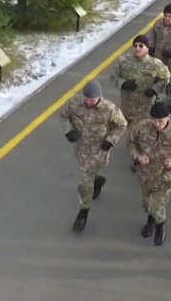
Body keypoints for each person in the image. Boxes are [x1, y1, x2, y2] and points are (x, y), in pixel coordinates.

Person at [60, 81, 128, 231]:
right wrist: (69, 130)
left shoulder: (109, 109)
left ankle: (88, 200)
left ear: (99, 97)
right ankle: (90, 197)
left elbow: (122, 124)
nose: (90, 102)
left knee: (89, 176)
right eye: (87, 99)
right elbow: (64, 116)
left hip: (99, 148)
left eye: (93, 99)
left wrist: (110, 140)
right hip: (82, 148)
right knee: (87, 176)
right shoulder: (74, 103)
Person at [129, 102, 171, 245]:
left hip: (165, 177)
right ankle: (150, 221)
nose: (157, 124)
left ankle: (160, 226)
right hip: (145, 175)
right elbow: (131, 142)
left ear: (168, 118)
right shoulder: (141, 127)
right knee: (146, 203)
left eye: (161, 121)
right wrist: (137, 157)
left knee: (157, 205)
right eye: (154, 120)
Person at [110, 35, 170, 129]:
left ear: (147, 48)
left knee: (144, 133)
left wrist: (155, 89)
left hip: (146, 107)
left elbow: (166, 77)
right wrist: (123, 83)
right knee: (131, 133)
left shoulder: (155, 64)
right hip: (128, 106)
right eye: (135, 45)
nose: (137, 48)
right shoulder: (124, 61)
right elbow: (113, 76)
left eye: (141, 46)